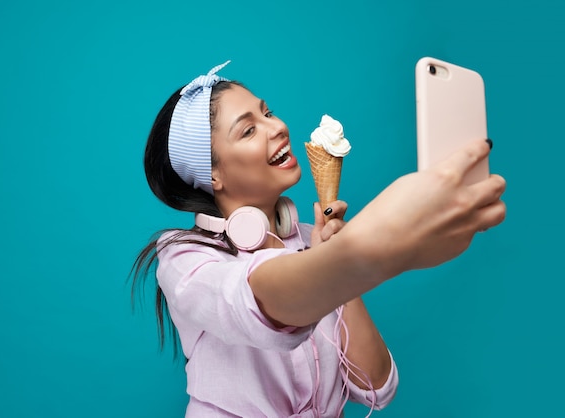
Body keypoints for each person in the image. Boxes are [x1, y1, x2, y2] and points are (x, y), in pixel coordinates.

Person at [130, 61, 506, 417]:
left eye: (267, 112)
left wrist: (337, 264)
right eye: (248, 130)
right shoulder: (184, 259)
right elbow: (253, 298)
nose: (276, 127)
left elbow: (377, 387)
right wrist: (364, 251)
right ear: (213, 176)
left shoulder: (314, 243)